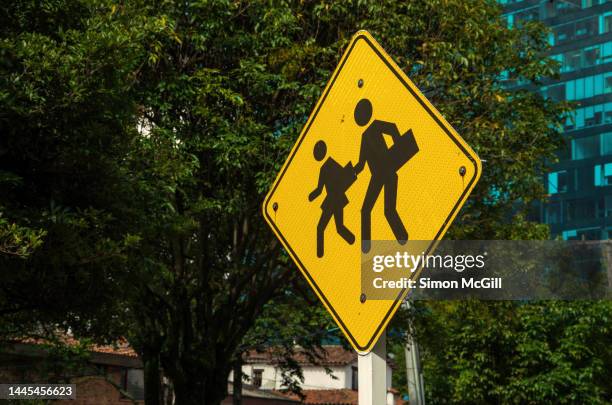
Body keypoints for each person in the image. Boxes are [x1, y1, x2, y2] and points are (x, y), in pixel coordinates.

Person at [354, 98, 412, 253]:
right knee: (367, 210)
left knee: (387, 210)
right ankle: (366, 246)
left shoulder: (376, 125)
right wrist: (350, 172)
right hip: (379, 175)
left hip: (387, 171)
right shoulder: (364, 137)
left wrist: (398, 147)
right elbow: (361, 164)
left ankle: (403, 238)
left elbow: (392, 128)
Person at [308, 140, 356, 258]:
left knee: (320, 228)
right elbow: (343, 176)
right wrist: (311, 196)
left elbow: (320, 190)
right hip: (337, 199)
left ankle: (320, 255)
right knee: (339, 227)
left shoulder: (326, 167)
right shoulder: (330, 164)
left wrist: (311, 196)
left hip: (332, 200)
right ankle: (353, 240)